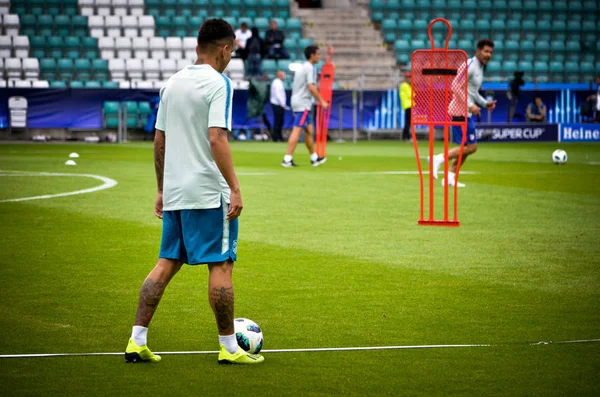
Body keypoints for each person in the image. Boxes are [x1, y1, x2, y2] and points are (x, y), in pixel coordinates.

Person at [124, 18, 264, 366]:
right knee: (221, 264)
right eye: (231, 50)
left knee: (166, 263)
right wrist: (234, 187)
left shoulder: (172, 83)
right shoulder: (219, 84)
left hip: (174, 190)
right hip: (207, 191)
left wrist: (161, 189)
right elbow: (217, 137)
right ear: (225, 48)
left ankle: (136, 340)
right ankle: (230, 348)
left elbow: (160, 140)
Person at [429, 39, 497, 188]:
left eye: (491, 52)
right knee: (472, 147)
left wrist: (485, 103)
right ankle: (438, 159)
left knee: (466, 148)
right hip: (458, 111)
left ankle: (450, 178)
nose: (488, 55)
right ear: (478, 51)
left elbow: (473, 92)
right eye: (486, 51)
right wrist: (470, 105)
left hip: (465, 111)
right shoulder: (470, 66)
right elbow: (455, 86)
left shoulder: (479, 67)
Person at [281, 45, 328, 167]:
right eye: (318, 54)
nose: (319, 56)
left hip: (297, 101)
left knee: (309, 130)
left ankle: (314, 157)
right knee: (297, 130)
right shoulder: (310, 68)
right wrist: (322, 101)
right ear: (312, 55)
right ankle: (287, 158)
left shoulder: (302, 67)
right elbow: (311, 86)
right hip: (303, 104)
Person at [270, 70, 287, 142]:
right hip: (277, 104)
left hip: (279, 104)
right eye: (283, 75)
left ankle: (279, 136)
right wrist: (282, 104)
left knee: (280, 121)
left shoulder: (278, 82)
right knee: (278, 121)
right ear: (280, 75)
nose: (284, 77)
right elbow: (278, 95)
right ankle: (276, 137)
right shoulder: (277, 83)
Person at [399, 72, 412, 141]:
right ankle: (406, 137)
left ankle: (406, 136)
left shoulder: (407, 85)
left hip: (409, 105)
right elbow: (410, 95)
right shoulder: (405, 85)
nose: (410, 79)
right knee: (408, 122)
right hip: (408, 105)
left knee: (408, 122)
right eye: (408, 77)